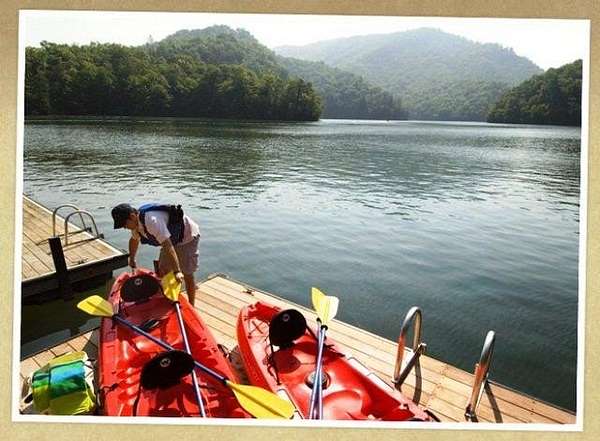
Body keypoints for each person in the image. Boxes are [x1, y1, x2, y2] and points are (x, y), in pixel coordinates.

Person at [111, 203, 200, 305]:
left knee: (187, 273)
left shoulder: (151, 221)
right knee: (163, 270)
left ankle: (191, 304)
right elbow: (134, 240)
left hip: (187, 236)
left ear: (132, 216)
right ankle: (171, 299)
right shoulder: (136, 224)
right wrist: (132, 258)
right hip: (171, 240)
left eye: (124, 224)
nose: (124, 227)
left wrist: (177, 271)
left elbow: (167, 246)